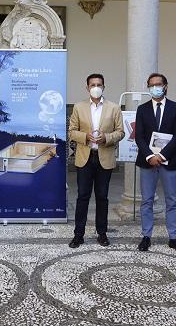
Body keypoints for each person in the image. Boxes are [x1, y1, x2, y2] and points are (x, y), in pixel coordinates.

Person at [68, 74, 125, 248]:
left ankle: (102, 233)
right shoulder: (79, 107)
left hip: (104, 158)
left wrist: (106, 138)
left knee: (102, 197)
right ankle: (78, 234)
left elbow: (121, 132)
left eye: (99, 84)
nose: (96, 87)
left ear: (104, 87)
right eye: (92, 84)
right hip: (85, 157)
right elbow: (71, 131)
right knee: (82, 197)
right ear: (87, 88)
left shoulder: (114, 108)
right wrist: (85, 136)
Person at [135, 73, 176, 253]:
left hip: (169, 160)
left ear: (165, 85)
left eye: (158, 84)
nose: (155, 87)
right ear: (148, 87)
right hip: (147, 161)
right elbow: (139, 136)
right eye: (152, 85)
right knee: (146, 200)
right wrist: (150, 155)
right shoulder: (142, 109)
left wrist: (163, 155)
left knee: (172, 200)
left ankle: (173, 237)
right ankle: (146, 236)